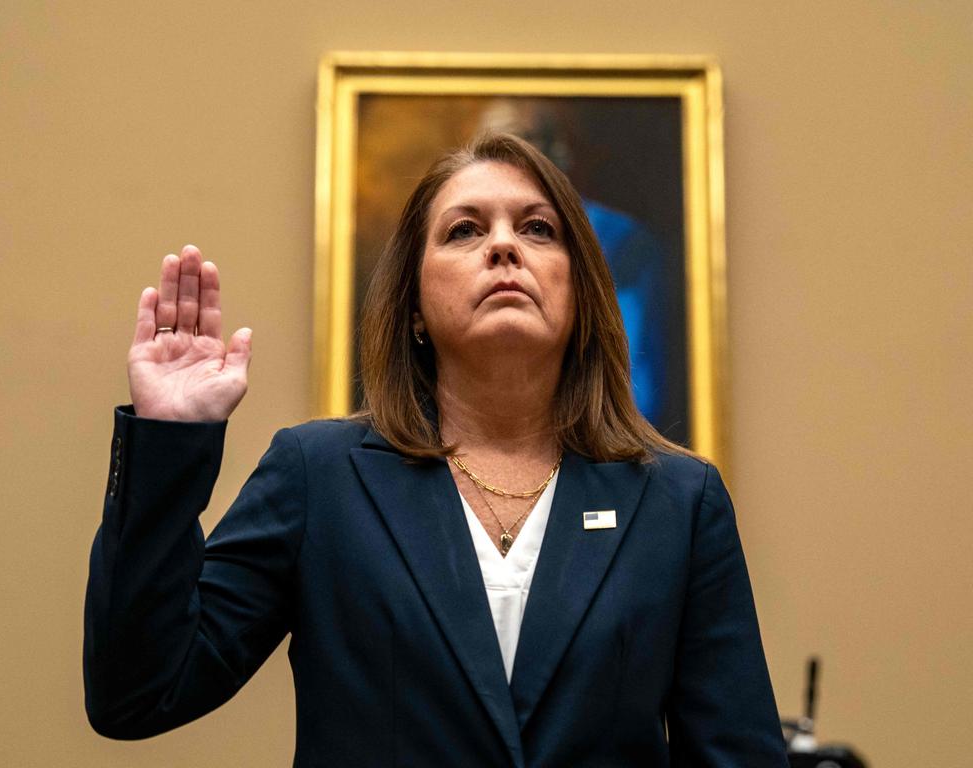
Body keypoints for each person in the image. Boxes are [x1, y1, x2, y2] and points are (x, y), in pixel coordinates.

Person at [84, 133, 788, 767]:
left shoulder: (676, 501)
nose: (504, 247)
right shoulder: (321, 475)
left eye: (538, 229)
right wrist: (170, 441)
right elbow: (139, 693)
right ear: (416, 306)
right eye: (464, 231)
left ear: (580, 293)